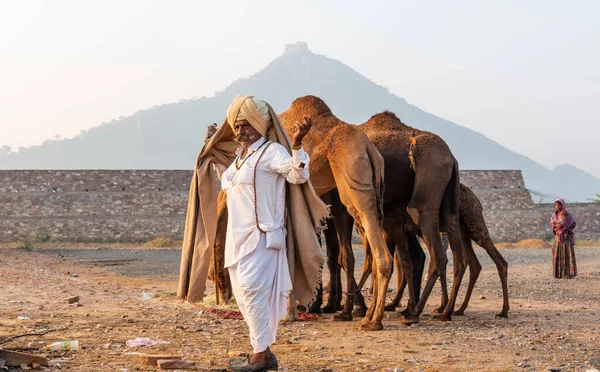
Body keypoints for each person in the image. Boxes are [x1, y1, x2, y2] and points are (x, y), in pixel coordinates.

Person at [193, 95, 326, 372]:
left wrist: (298, 144)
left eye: (246, 125)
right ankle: (258, 350)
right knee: (243, 297)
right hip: (236, 240)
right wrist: (213, 151)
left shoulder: (273, 152)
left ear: (259, 124)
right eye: (237, 126)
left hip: (264, 237)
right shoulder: (240, 159)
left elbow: (297, 175)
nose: (241, 131)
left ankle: (263, 355)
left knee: (254, 294)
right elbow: (227, 181)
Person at [550, 198, 577, 279]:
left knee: (567, 255)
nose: (557, 207)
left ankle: (568, 274)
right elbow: (552, 224)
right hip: (558, 238)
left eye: (559, 205)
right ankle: (558, 274)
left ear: (563, 205)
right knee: (557, 254)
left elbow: (573, 224)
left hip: (566, 238)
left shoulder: (568, 215)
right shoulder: (554, 215)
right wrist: (556, 226)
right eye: (556, 205)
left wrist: (561, 226)